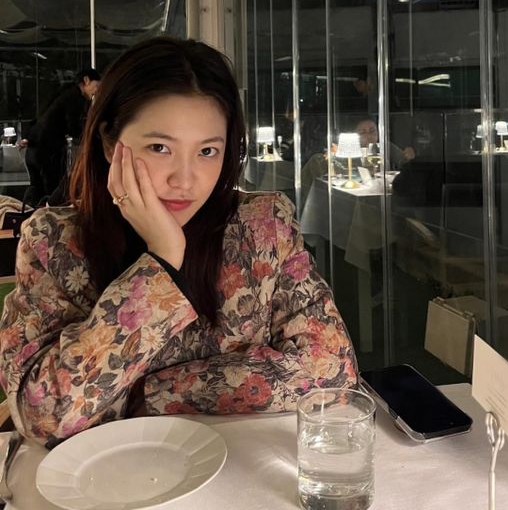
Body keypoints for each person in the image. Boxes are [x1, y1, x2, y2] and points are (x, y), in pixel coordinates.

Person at [0, 37, 357, 447]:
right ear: (109, 142)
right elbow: (43, 415)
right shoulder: (54, 241)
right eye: (160, 147)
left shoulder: (262, 227)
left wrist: (151, 392)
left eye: (207, 151)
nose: (185, 180)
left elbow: (332, 371)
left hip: (238, 468)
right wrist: (163, 262)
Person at [24, 68, 101, 205]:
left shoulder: (61, 93)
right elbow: (74, 127)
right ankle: (47, 216)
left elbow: (40, 117)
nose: (97, 91)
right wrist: (92, 138)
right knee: (51, 192)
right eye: (96, 86)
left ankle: (30, 216)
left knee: (36, 190)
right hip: (48, 150)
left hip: (33, 148)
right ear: (86, 80)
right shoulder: (74, 98)